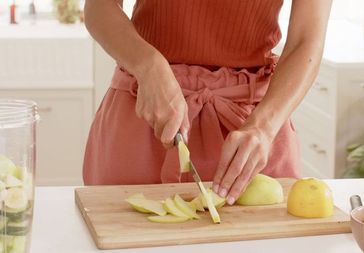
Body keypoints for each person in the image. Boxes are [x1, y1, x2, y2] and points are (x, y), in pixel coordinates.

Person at [83, 0, 332, 205]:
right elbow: (99, 6)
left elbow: (306, 39)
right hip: (149, 110)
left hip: (252, 128)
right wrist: (148, 66)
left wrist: (263, 128)